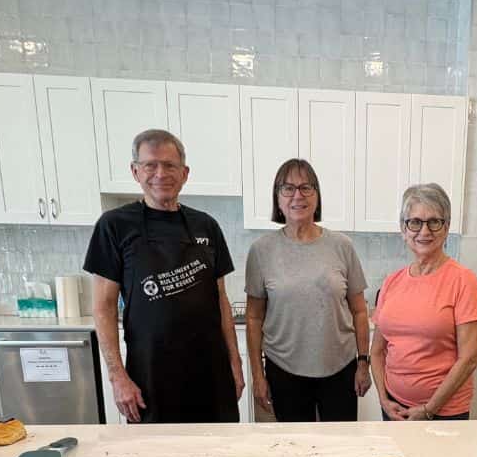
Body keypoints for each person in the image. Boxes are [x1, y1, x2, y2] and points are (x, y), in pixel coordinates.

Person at [85, 129, 243, 423]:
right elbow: (103, 306)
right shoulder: (114, 226)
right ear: (135, 171)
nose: (161, 173)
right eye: (151, 165)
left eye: (170, 165)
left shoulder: (206, 226)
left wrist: (235, 362)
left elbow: (220, 299)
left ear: (184, 173)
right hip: (150, 375)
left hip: (211, 372)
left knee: (219, 453)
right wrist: (118, 377)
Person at [245, 159, 370, 422]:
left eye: (306, 188)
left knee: (341, 450)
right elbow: (254, 317)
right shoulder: (261, 250)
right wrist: (258, 374)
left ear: (317, 196)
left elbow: (359, 311)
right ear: (277, 198)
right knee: (296, 448)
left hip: (340, 369)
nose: (297, 196)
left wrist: (362, 363)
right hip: (284, 371)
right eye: (288, 188)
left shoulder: (342, 246)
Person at [371, 183, 477, 421]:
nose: (424, 232)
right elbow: (378, 351)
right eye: (415, 222)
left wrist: (428, 410)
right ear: (404, 229)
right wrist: (383, 399)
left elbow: (470, 358)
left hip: (443, 413)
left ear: (446, 228)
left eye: (434, 222)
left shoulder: (464, 281)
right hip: (394, 408)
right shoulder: (392, 282)